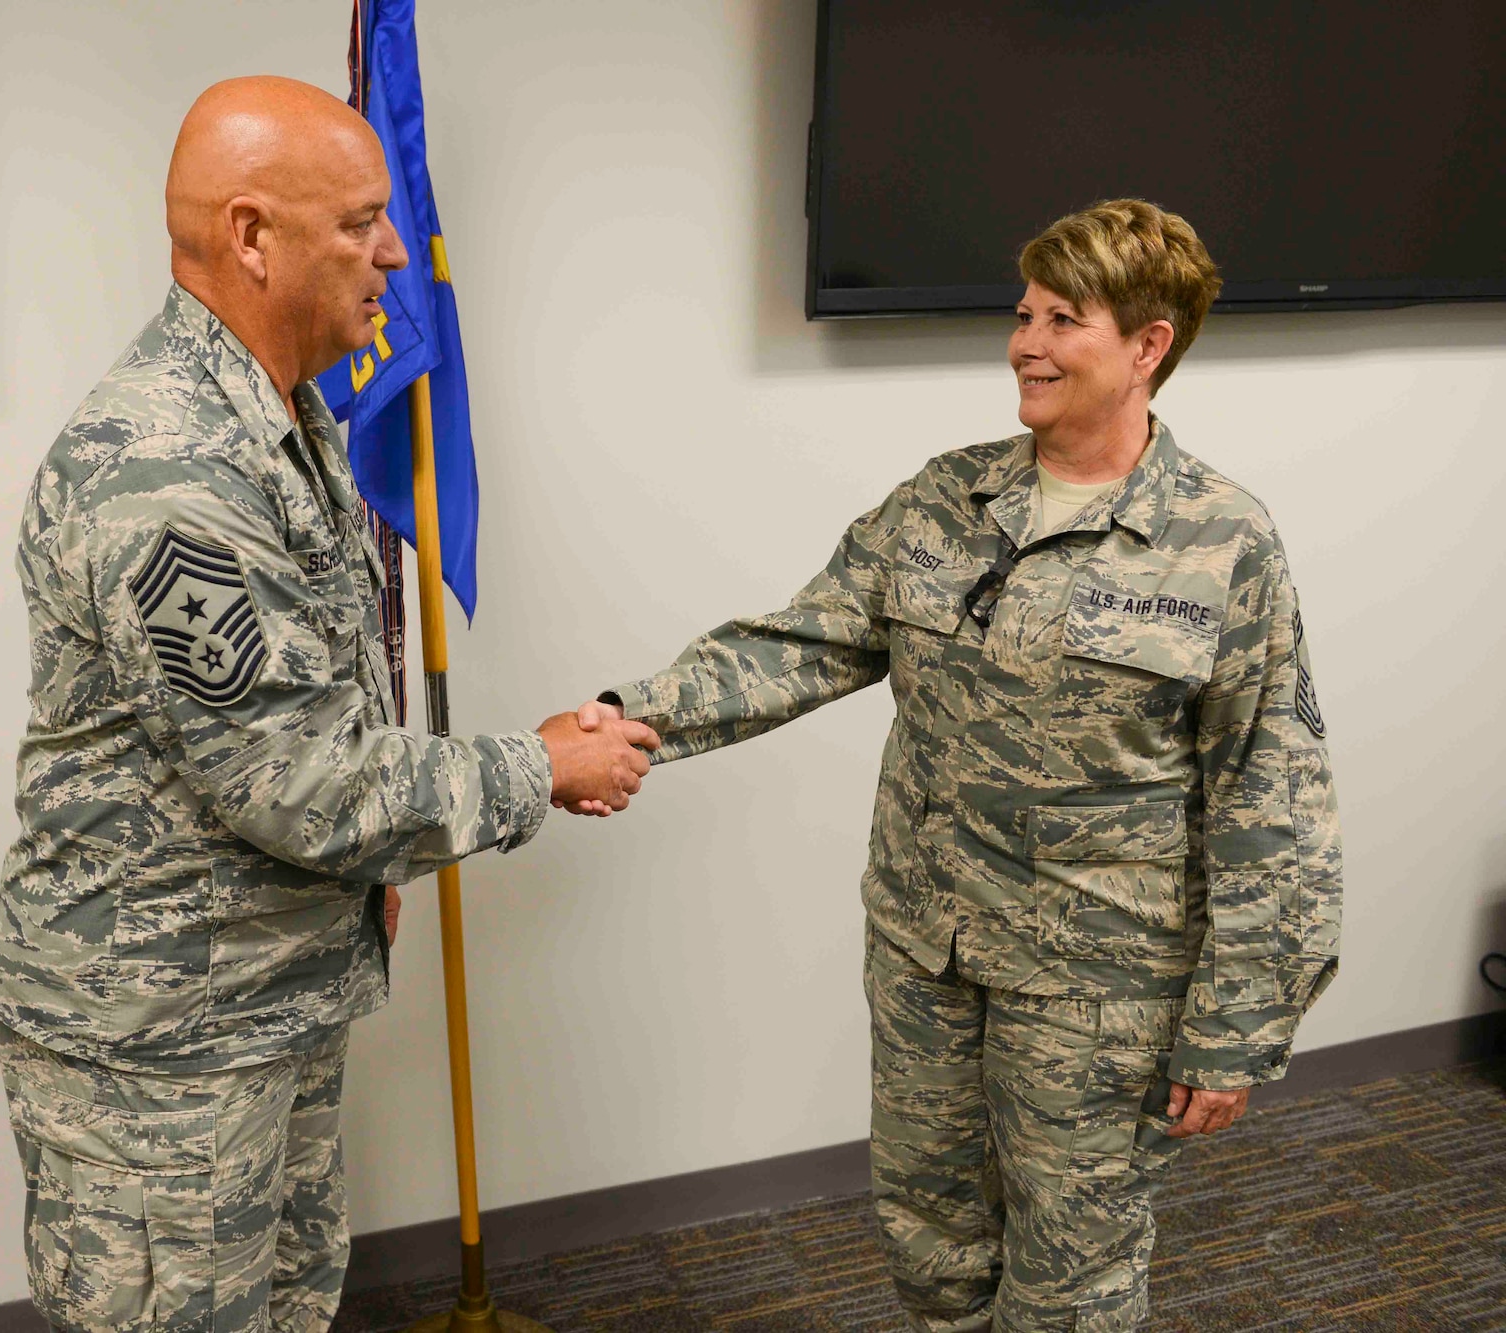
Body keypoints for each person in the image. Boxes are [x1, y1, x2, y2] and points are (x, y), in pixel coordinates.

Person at [573, 200, 1341, 1331]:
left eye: (1061, 319)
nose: (1024, 343)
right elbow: (807, 640)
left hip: (1096, 982)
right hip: (926, 949)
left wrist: (1236, 1024)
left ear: (1146, 346)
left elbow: (1267, 788)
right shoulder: (946, 497)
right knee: (927, 1235)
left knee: (1069, 1272)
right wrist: (624, 718)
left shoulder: (1222, 539)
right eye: (1022, 312)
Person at [0, 76, 661, 1333]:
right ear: (252, 236)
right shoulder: (170, 468)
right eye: (360, 222)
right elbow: (300, 781)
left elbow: (315, 705)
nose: (394, 252)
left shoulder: (280, 416)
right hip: (165, 1057)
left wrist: (368, 870)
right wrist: (538, 766)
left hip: (256, 1001)